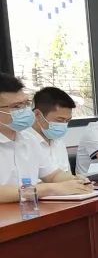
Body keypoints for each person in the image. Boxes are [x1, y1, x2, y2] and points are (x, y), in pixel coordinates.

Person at [0, 73, 92, 202]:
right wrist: (50, 188)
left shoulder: (28, 139)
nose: (24, 110)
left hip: (32, 209)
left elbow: (53, 175)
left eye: (26, 104)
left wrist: (76, 181)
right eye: (16, 106)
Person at [30, 87, 77, 175]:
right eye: (59, 120)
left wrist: (77, 180)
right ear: (38, 115)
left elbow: (67, 174)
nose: (64, 125)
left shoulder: (58, 141)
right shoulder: (25, 142)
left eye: (68, 120)